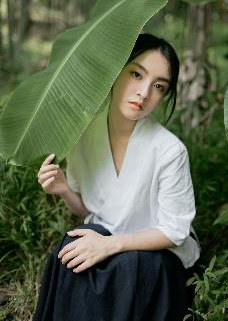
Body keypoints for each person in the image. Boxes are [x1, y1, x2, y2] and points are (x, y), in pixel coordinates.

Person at [33, 33, 201, 321]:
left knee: (118, 267)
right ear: (115, 70)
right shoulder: (83, 135)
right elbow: (91, 210)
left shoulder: (170, 151)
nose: (144, 93)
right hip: (109, 238)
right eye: (136, 74)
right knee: (70, 247)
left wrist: (111, 245)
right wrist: (63, 189)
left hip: (159, 259)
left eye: (158, 86)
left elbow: (174, 231)